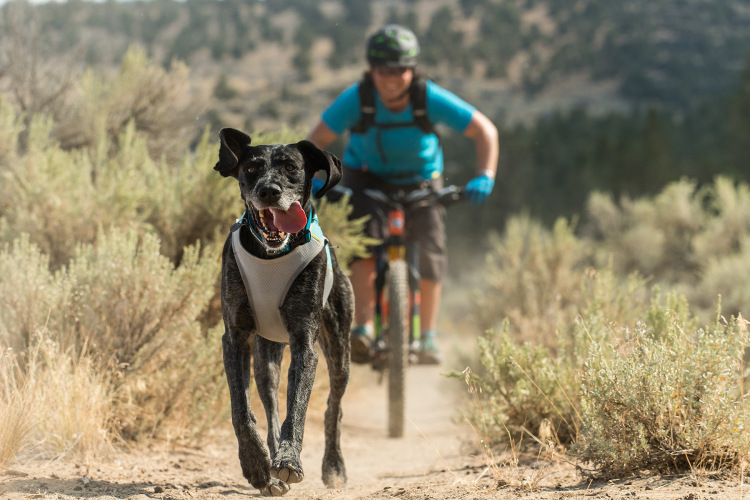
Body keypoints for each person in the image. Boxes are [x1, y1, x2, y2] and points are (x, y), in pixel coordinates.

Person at [306, 24, 499, 365]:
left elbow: (485, 131)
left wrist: (485, 175)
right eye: (384, 71)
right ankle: (363, 328)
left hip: (422, 181)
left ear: (412, 69)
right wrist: (314, 179)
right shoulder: (357, 99)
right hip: (366, 178)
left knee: (431, 250)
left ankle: (427, 337)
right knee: (365, 246)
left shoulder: (427, 97)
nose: (392, 78)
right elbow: (315, 141)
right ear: (372, 70)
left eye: (400, 70)